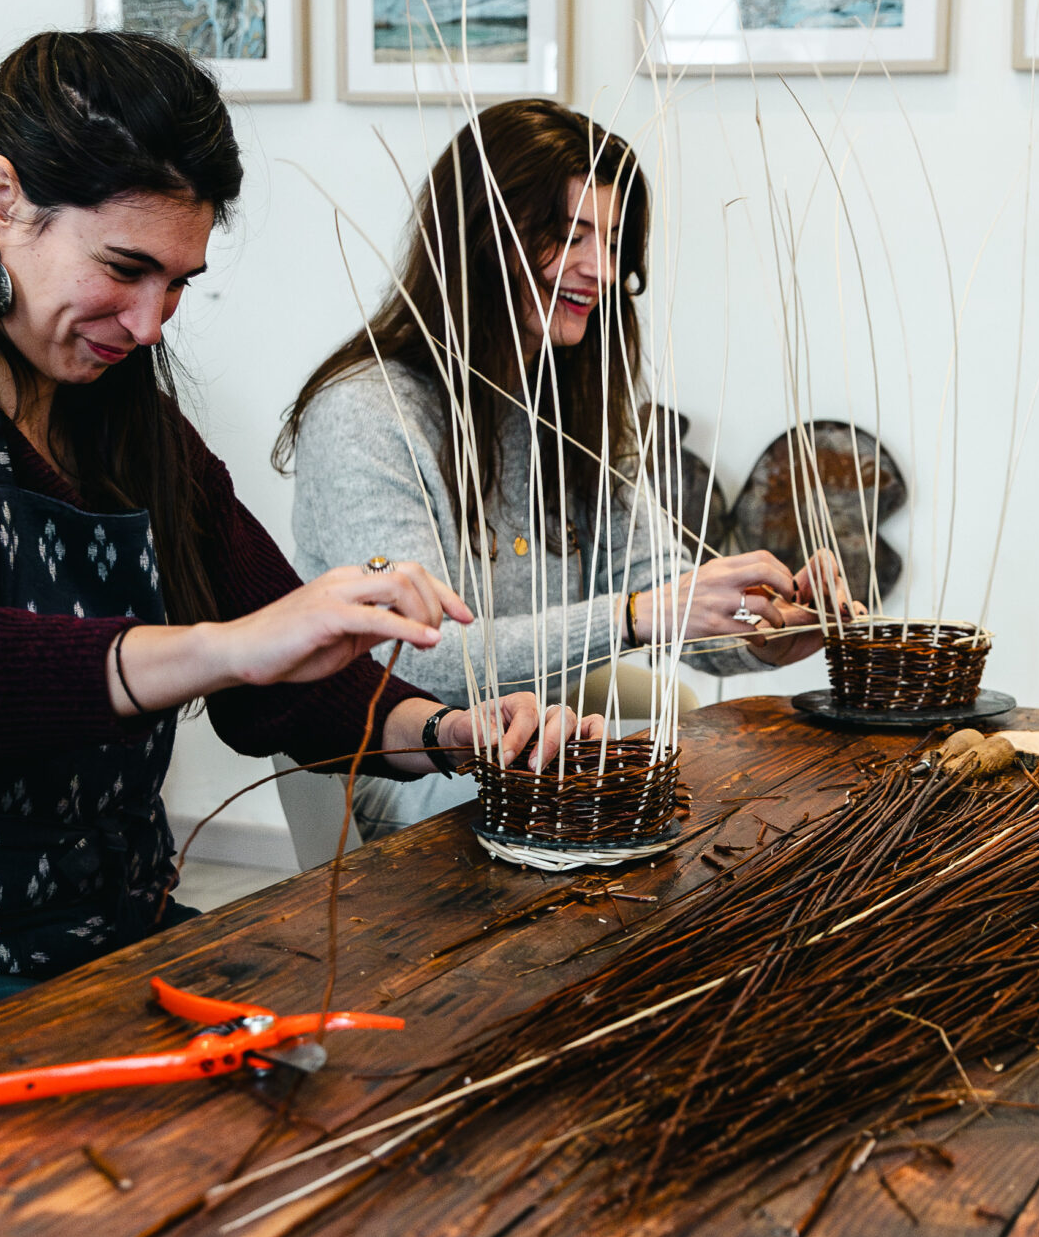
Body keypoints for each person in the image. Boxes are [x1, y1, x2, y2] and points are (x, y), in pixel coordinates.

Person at [0, 33, 593, 1056]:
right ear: (1, 201)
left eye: (179, 283)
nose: (151, 324)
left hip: (115, 938)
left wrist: (451, 732)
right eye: (124, 269)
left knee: (389, 1056)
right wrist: (225, 644)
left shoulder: (134, 430)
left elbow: (283, 687)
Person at [280, 98, 852, 835]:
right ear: (483, 238)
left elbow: (658, 587)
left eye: (612, 242)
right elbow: (417, 661)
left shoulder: (574, 401)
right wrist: (638, 617)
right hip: (413, 763)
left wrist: (762, 625)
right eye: (571, 234)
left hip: (540, 751)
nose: (600, 271)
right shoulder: (365, 413)